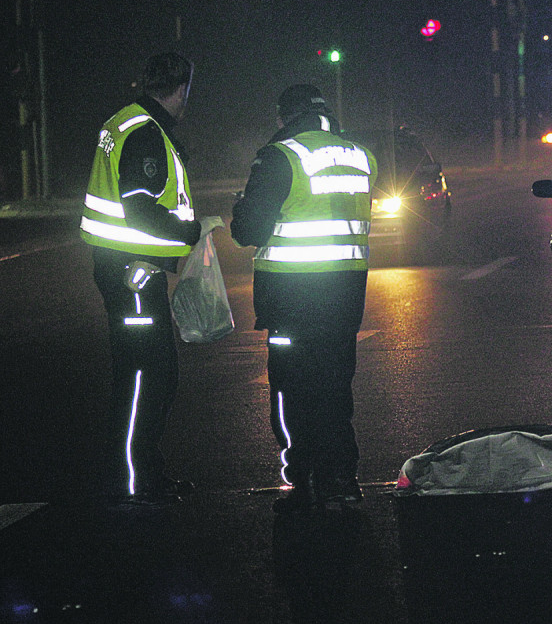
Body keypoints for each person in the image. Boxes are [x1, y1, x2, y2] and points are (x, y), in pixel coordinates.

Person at [81, 52, 224, 504]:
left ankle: (139, 475)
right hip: (133, 274)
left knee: (144, 373)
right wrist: (190, 232)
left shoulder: (124, 121)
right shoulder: (146, 132)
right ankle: (134, 481)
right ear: (181, 90)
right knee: (148, 376)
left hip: (124, 269)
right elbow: (139, 208)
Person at [230, 84, 377, 513]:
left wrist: (241, 207)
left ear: (285, 116)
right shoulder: (359, 155)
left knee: (291, 386)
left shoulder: (281, 155)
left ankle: (301, 470)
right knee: (335, 385)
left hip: (292, 295)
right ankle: (341, 478)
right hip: (346, 293)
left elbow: (249, 230)